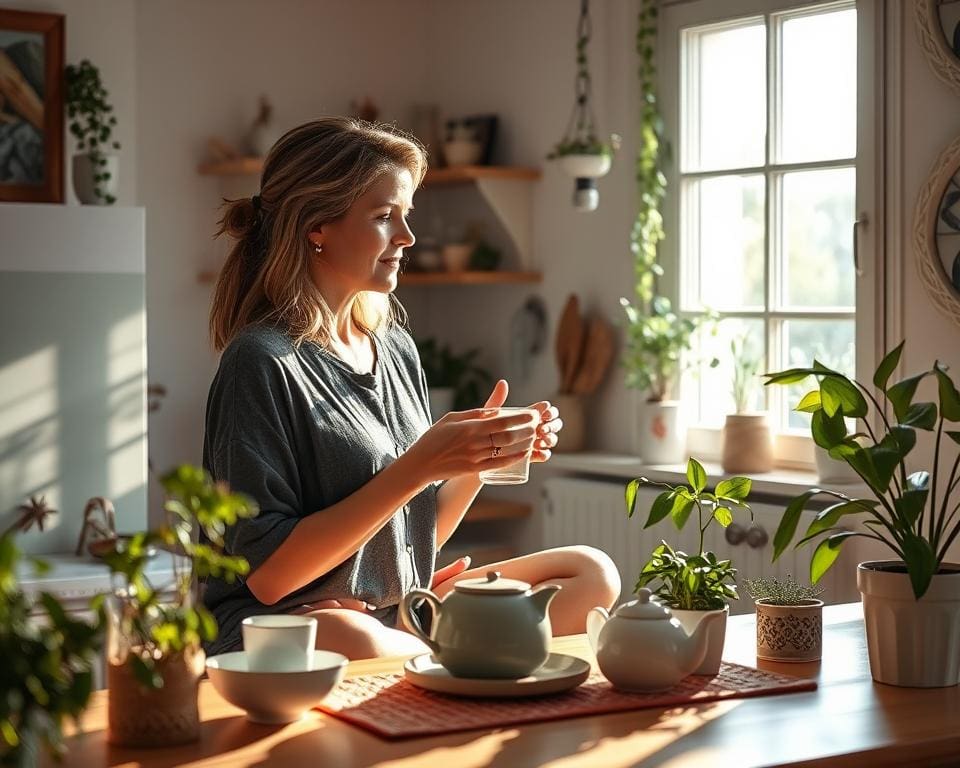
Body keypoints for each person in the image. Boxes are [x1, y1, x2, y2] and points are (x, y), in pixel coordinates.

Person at [202, 117, 620, 660]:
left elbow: (413, 537)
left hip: (391, 611)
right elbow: (269, 578)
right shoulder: (260, 362)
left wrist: (478, 460)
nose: (407, 237)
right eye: (383, 217)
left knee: (590, 574)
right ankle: (451, 657)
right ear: (316, 227)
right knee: (350, 635)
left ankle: (436, 654)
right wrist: (422, 463)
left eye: (406, 215)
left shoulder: (394, 347)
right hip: (287, 621)